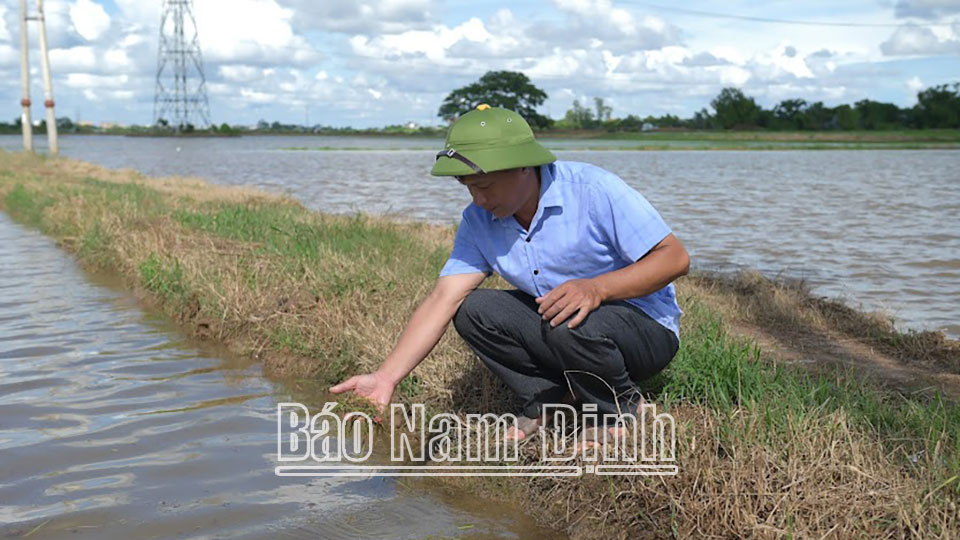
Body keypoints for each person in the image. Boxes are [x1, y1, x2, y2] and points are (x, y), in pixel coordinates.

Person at [330, 104, 689, 440]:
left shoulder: (593, 190)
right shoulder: (478, 220)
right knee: (474, 311)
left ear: (523, 166)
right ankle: (550, 400)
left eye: (484, 186)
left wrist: (597, 289)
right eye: (468, 188)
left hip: (642, 331)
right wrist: (386, 377)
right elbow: (444, 298)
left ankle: (618, 410)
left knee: (568, 318)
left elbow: (674, 258)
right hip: (564, 326)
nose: (478, 200)